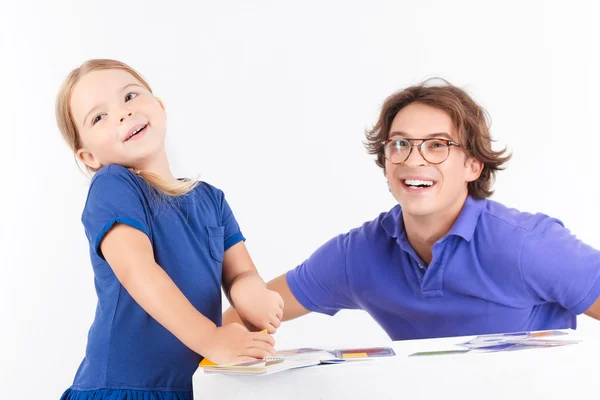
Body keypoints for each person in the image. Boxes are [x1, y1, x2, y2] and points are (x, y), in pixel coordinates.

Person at [224, 79, 600, 341]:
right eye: (400, 143)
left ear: (473, 165)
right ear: (386, 161)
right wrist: (238, 340)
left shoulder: (528, 245)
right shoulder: (357, 255)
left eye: (437, 145)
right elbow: (245, 316)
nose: (413, 158)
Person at [56, 59, 283, 400]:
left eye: (130, 96)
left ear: (159, 107)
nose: (122, 113)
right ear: (89, 157)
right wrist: (211, 338)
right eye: (99, 117)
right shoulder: (113, 185)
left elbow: (241, 272)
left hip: (192, 387)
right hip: (127, 390)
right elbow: (138, 271)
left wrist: (251, 293)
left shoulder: (211, 199)